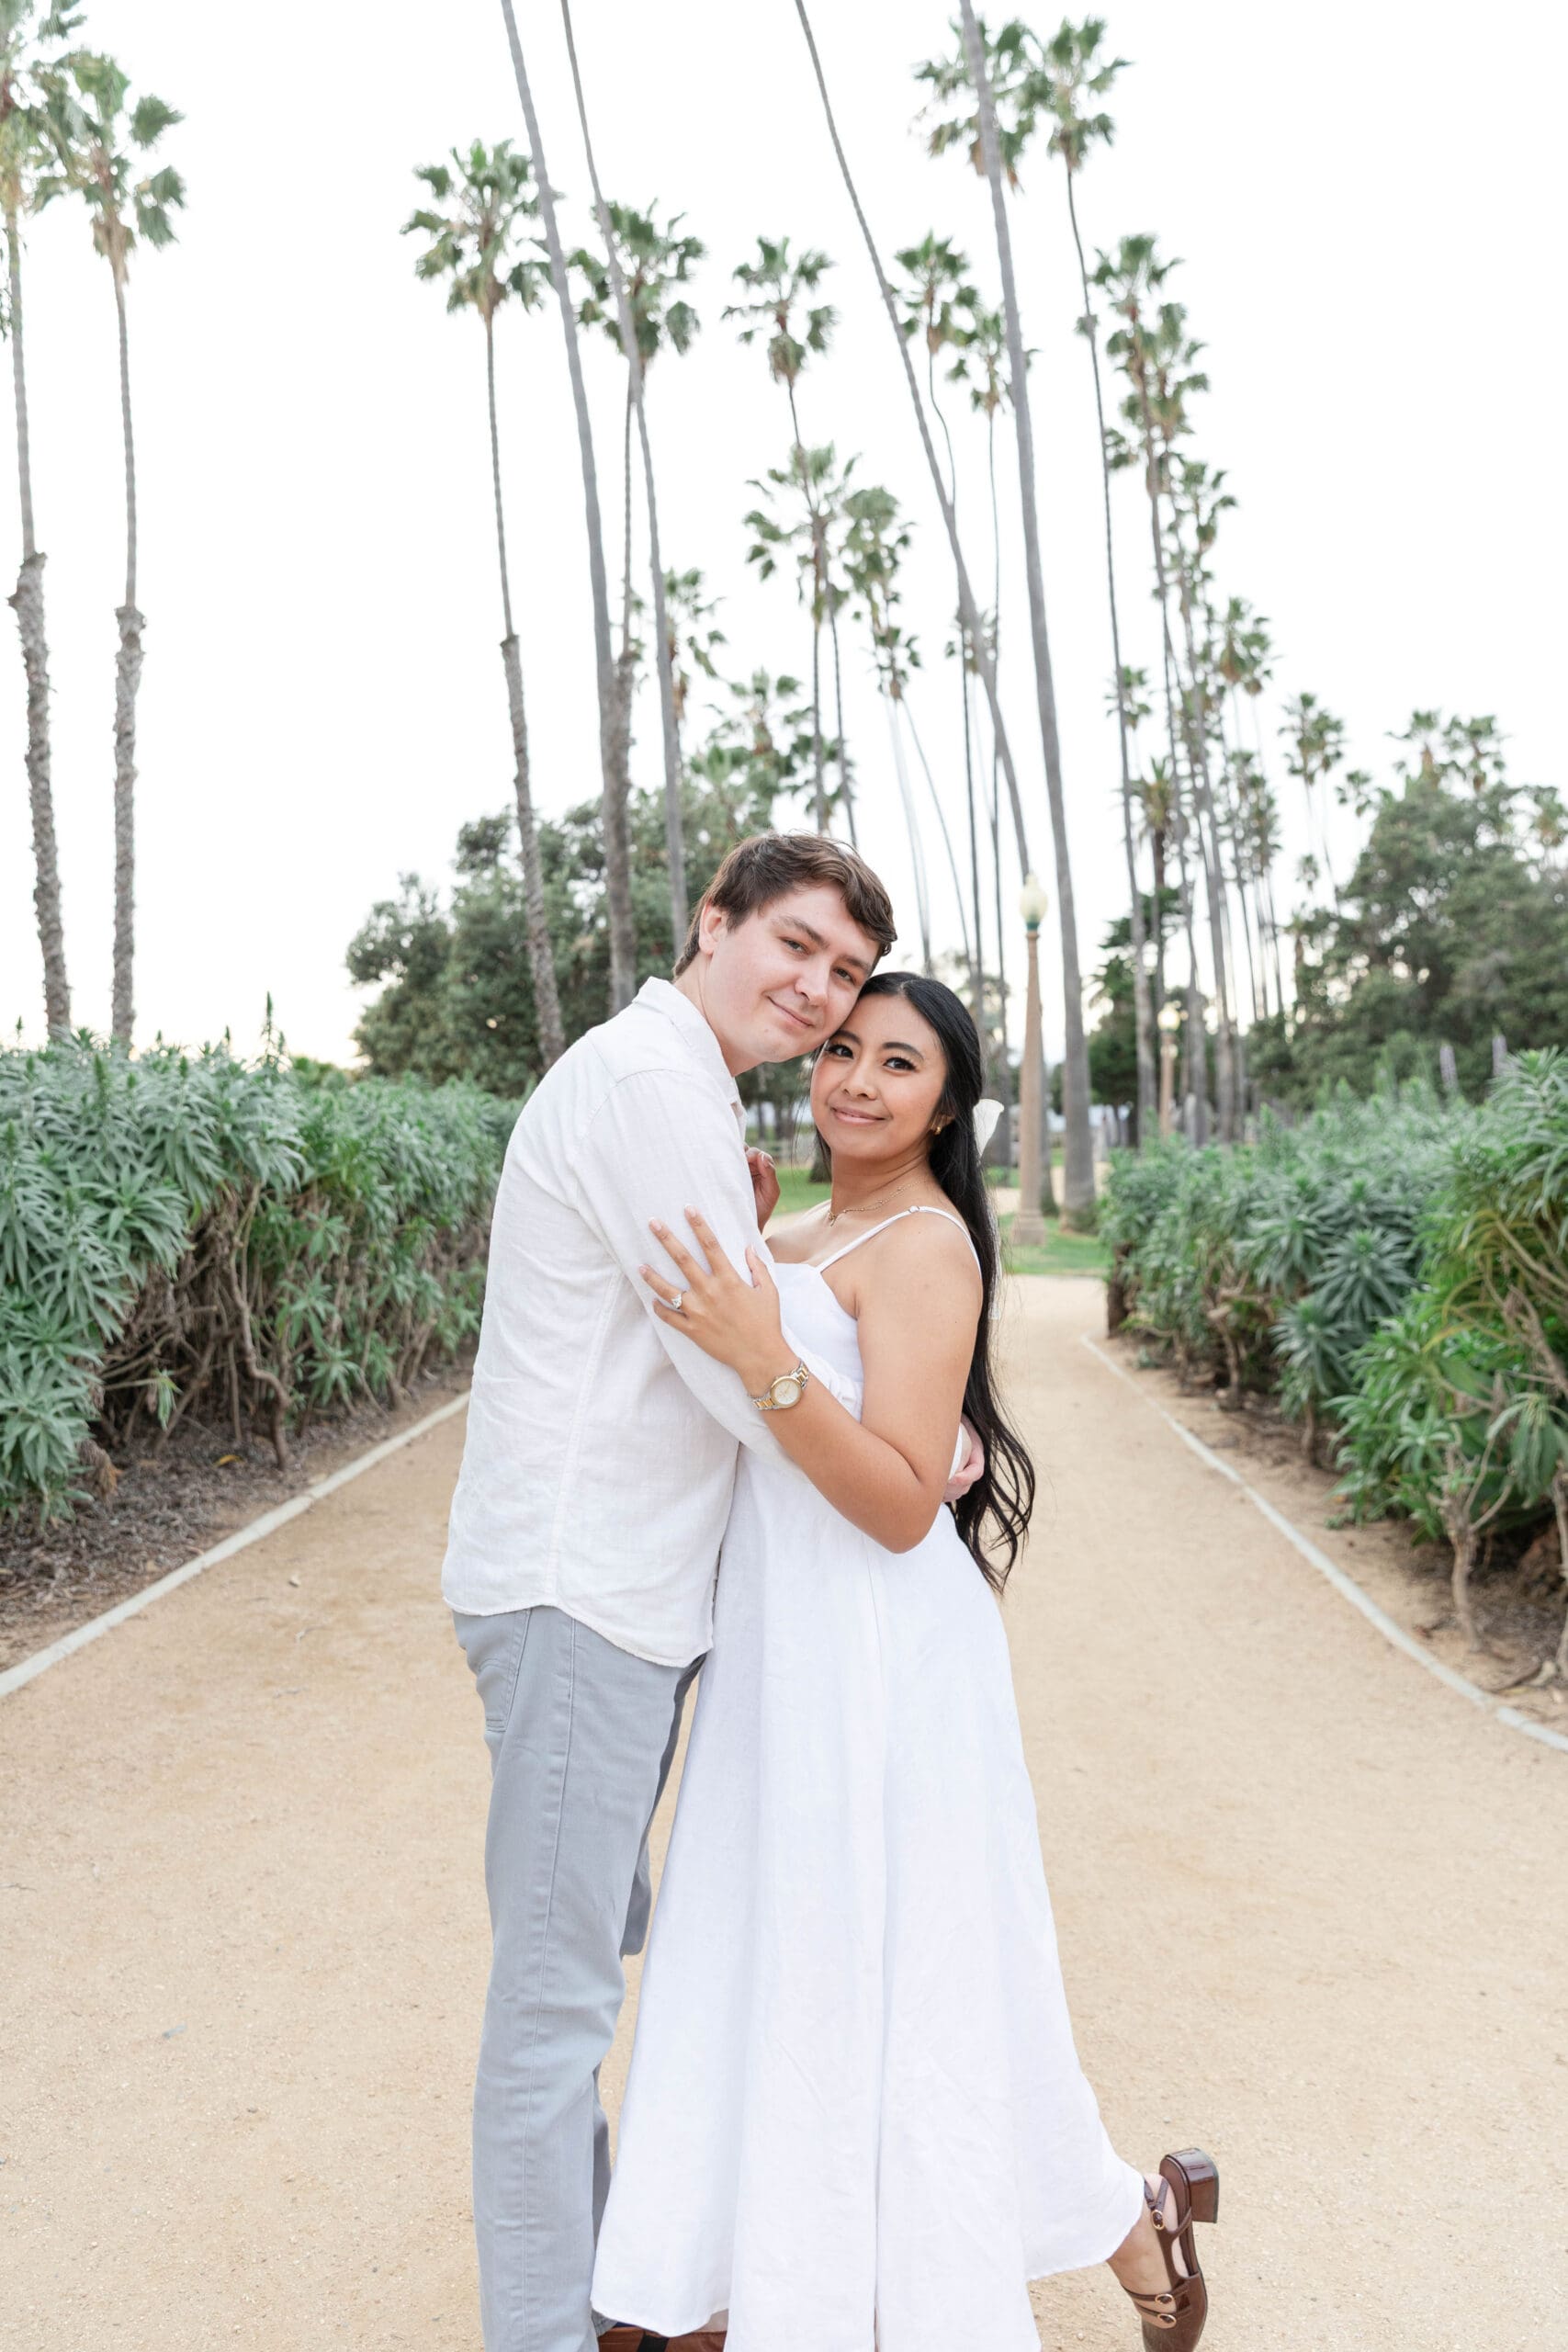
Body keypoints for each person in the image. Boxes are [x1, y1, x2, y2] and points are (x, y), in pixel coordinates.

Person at [592, 973, 1218, 2352]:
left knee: (925, 1965)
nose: (858, 1082)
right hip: (779, 1642)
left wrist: (767, 1358)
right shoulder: (806, 1222)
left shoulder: (929, 1245)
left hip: (883, 1652)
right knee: (779, 1943)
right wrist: (761, 1274)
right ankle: (724, 2273)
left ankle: (1122, 2221)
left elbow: (891, 1506)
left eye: (899, 1063)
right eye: (841, 1052)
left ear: (948, 1103)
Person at [443, 833, 981, 2352]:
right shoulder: (647, 1085)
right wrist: (897, 1462)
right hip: (583, 1596)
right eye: (795, 949)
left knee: (586, 1970)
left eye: (849, 976)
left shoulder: (678, 1095)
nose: (816, 994)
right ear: (715, 923)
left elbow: (713, 1312)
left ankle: (612, 2291)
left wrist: (759, 1267)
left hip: (628, 1599)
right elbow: (724, 1357)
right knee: (553, 2012)